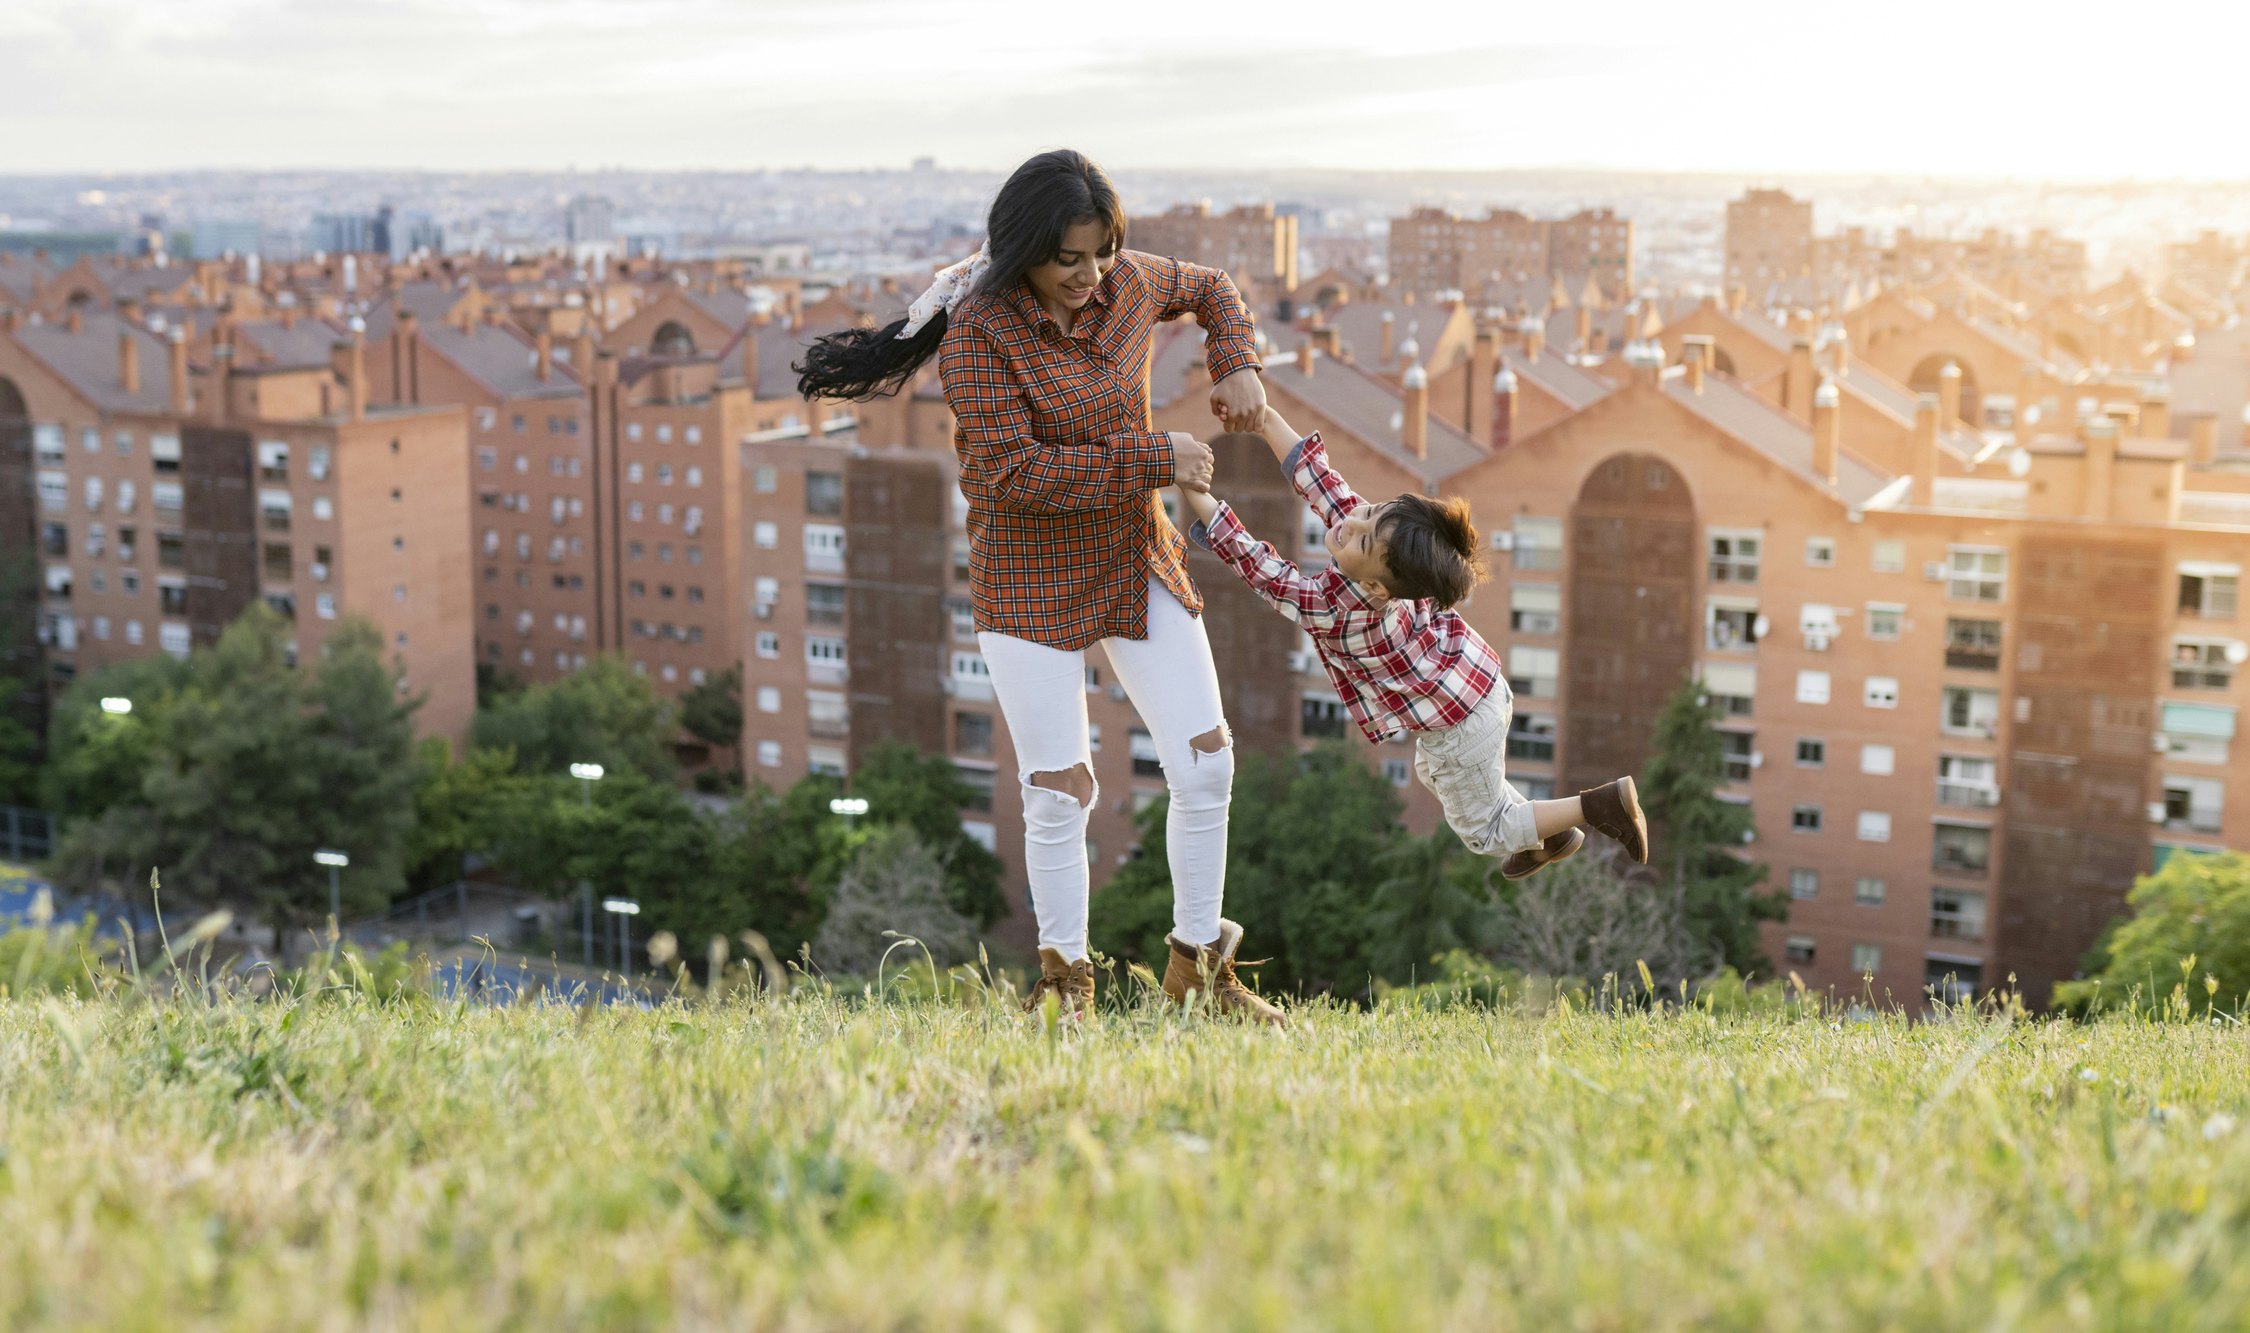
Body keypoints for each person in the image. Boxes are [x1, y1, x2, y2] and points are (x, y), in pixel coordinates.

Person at [794, 149, 1284, 1025]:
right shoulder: (981, 329)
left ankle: (1200, 977)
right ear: (1024, 250)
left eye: (1101, 252)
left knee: (1208, 760)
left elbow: (1212, 288)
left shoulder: (1129, 284)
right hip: (1025, 569)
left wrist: (1233, 360)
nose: (1090, 276)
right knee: (1063, 788)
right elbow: (1012, 473)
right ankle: (1065, 991)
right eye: (1068, 258)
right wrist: (1155, 456)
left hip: (1133, 552)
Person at [1177, 406, 1650, 877]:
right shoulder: (1380, 545)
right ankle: (1549, 831)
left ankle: (1598, 805)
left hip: (1459, 722)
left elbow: (1254, 562)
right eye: (1366, 514)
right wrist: (1262, 417)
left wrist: (1190, 486)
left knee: (1483, 831)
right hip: (1477, 687)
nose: (1350, 525)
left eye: (1360, 537)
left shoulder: (1333, 608)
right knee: (1438, 774)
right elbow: (1318, 477)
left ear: (1380, 587)